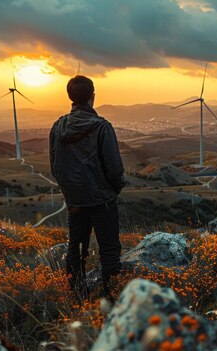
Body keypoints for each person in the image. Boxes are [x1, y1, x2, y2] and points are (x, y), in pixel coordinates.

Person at [49, 75, 126, 301]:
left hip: (74, 201)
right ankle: (112, 299)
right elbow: (114, 168)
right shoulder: (102, 127)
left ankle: (78, 297)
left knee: (76, 249)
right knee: (110, 250)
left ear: (70, 97)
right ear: (93, 96)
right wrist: (115, 187)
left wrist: (70, 191)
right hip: (102, 200)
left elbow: (55, 167)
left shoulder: (57, 127)